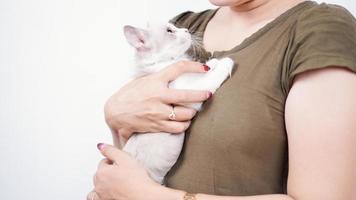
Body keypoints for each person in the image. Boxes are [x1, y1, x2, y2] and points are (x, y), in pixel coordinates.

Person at [88, 0, 356, 199]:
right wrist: (114, 114)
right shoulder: (184, 27)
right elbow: (136, 154)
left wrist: (151, 197)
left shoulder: (318, 30)